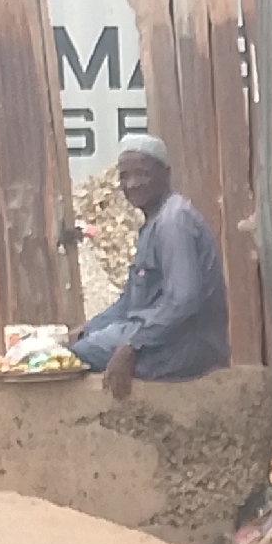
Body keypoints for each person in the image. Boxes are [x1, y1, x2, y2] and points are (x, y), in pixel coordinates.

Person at [71, 134, 229, 402]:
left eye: (142, 174)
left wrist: (132, 346)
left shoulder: (173, 222)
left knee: (80, 356)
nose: (132, 184)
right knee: (76, 345)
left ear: (165, 174)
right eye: (125, 176)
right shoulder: (153, 223)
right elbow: (129, 302)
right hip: (162, 337)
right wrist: (86, 329)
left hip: (187, 346)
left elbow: (183, 300)